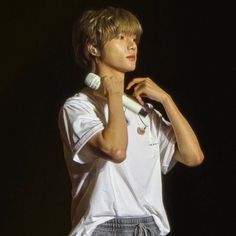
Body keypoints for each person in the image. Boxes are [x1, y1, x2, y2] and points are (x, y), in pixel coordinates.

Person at [58, 6, 204, 236]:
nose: (132, 44)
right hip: (104, 227)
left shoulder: (143, 111)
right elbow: (116, 150)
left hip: (150, 228)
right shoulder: (78, 107)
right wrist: (114, 93)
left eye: (134, 38)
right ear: (93, 47)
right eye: (121, 37)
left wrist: (167, 100)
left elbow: (193, 156)